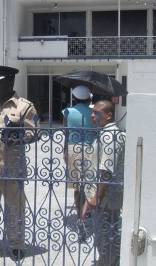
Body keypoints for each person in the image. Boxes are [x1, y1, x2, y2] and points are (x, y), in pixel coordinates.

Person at [0, 65, 38, 261]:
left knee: (15, 208)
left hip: (12, 168)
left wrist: (18, 137)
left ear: (11, 82)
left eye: (1, 82)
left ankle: (16, 244)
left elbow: (35, 132)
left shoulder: (25, 106)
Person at [82, 100, 125, 266]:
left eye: (97, 113)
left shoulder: (109, 136)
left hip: (106, 198)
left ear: (109, 115)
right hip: (102, 196)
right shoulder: (105, 133)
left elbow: (106, 171)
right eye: (93, 112)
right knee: (103, 235)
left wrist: (96, 199)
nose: (93, 116)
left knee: (106, 236)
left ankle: (108, 263)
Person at [62, 85, 93, 218]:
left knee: (77, 186)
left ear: (73, 98)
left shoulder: (67, 112)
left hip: (72, 148)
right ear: (88, 99)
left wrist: (64, 151)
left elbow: (66, 133)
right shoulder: (94, 112)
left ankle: (80, 213)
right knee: (90, 183)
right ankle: (87, 211)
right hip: (90, 149)